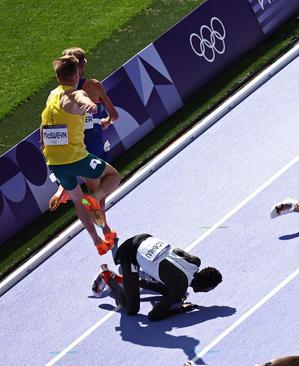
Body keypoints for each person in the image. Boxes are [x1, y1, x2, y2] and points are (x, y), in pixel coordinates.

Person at [40, 56, 121, 255]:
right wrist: (90, 106)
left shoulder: (52, 95)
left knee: (78, 200)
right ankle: (95, 200)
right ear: (77, 75)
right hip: (77, 157)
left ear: (58, 77)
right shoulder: (76, 94)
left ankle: (98, 242)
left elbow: (43, 127)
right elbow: (81, 99)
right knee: (112, 177)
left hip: (54, 162)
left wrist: (43, 142)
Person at [49, 47, 119, 212]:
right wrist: (106, 121)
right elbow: (114, 115)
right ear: (83, 65)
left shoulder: (60, 93)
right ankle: (106, 231)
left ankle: (62, 189)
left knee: (75, 175)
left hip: (70, 145)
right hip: (92, 144)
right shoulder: (94, 86)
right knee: (99, 191)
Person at [102, 233, 223, 321]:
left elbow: (174, 273)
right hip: (129, 254)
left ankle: (131, 281)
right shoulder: (180, 287)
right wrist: (181, 310)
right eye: (210, 289)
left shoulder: (195, 261)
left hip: (144, 238)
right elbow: (153, 316)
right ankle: (108, 277)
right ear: (206, 287)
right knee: (132, 309)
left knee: (174, 296)